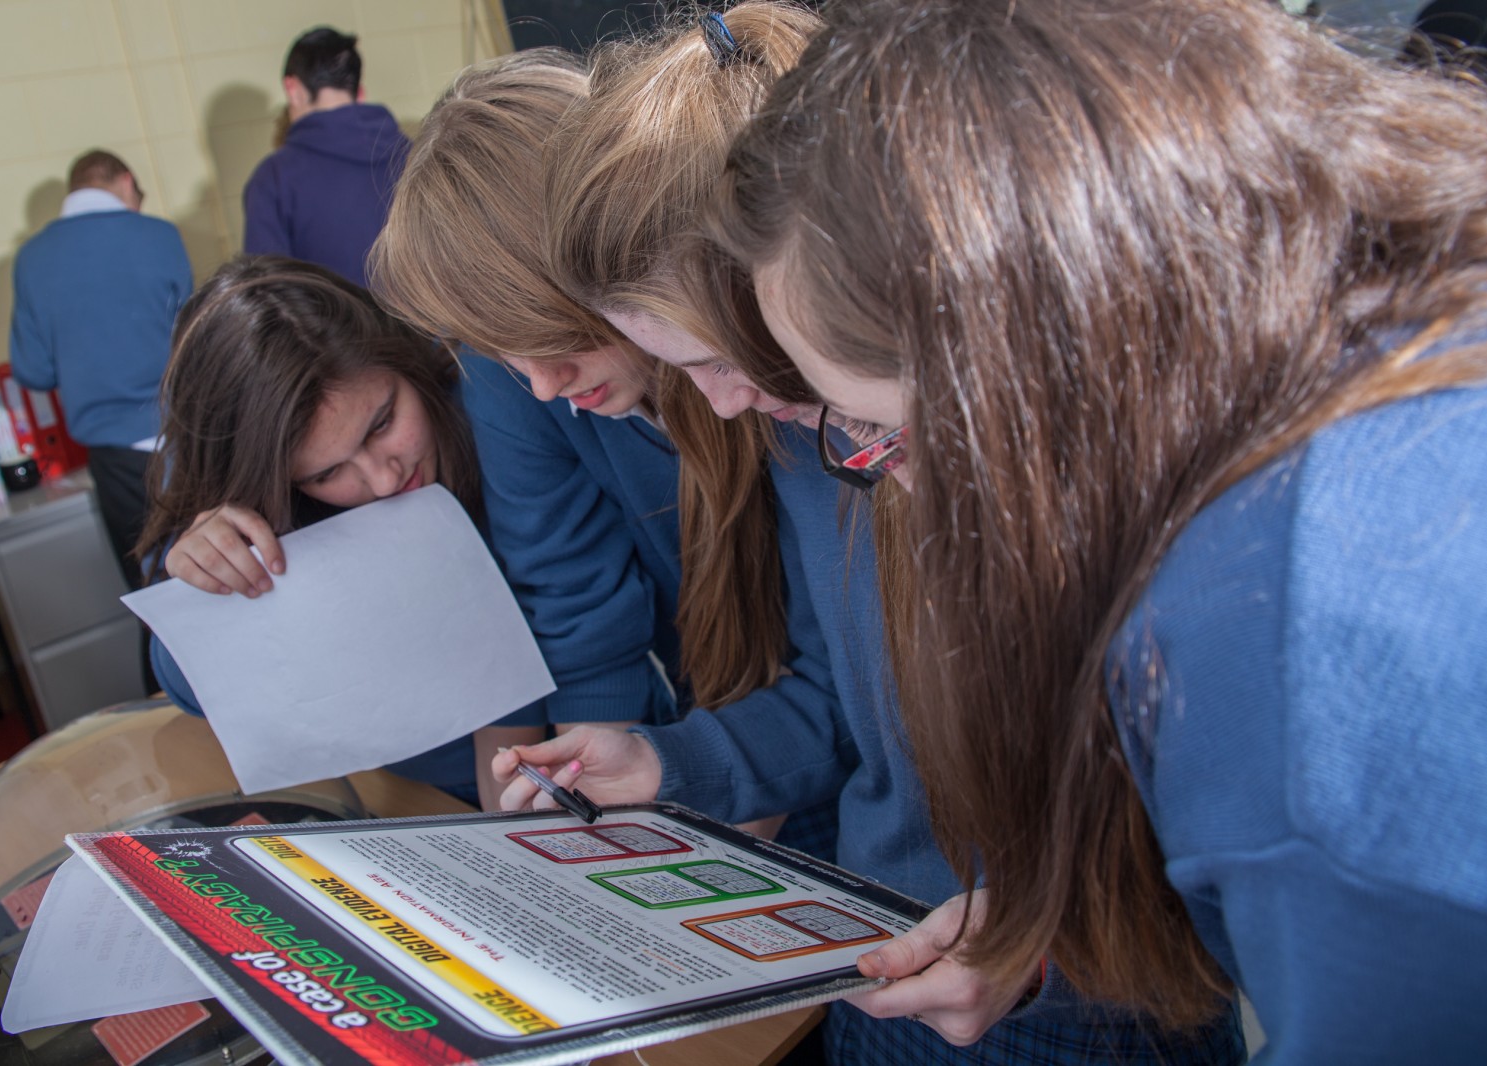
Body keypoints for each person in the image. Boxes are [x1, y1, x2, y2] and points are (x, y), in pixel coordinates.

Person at [709, 0, 1487, 1060]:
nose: (899, 485)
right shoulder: (1453, 311)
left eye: (889, 430)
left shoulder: (1282, 666)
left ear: (1037, 362)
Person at [495, 6, 1243, 1062]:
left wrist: (1048, 940)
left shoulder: (1036, 455)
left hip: (1084, 1002)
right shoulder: (810, 431)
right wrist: (670, 760)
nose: (716, 405)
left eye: (717, 360)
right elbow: (845, 697)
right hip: (880, 941)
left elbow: (1197, 797)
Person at [371, 42, 840, 857]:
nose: (542, 385)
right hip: (716, 753)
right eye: (504, 351)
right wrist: (583, 819)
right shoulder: (521, 378)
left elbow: (842, 690)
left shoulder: (779, 384)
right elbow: (577, 610)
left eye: (556, 339)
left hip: (810, 771)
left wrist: (712, 803)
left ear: (613, 266)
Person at [136, 255, 545, 808]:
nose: (383, 479)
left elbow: (531, 655)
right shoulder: (254, 508)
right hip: (399, 794)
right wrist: (204, 581)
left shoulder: (493, 417)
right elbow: (189, 691)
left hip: (544, 776)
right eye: (326, 474)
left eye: (383, 423)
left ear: (404, 361)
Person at [11, 149, 193, 600]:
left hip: (117, 460)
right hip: (189, 437)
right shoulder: (159, 235)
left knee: (156, 596)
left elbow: (33, 371)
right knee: (226, 575)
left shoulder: (32, 258)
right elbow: (196, 337)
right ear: (127, 182)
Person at [243, 27, 408, 287]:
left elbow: (268, 295)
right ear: (359, 92)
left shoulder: (274, 179)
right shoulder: (417, 156)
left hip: (336, 316)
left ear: (292, 89)